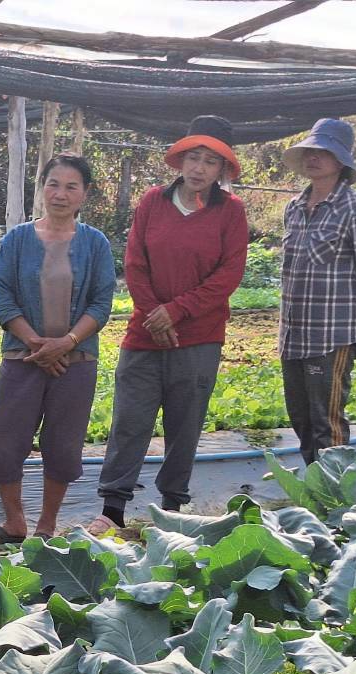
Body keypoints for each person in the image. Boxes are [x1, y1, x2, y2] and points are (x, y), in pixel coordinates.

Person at [87, 116, 248, 536]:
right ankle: (113, 508)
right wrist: (153, 313)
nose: (199, 169)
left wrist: (175, 312)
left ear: (222, 170)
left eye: (210, 162)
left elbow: (228, 274)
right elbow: (135, 263)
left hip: (198, 337)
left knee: (185, 422)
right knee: (130, 420)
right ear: (181, 161)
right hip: (145, 335)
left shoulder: (231, 212)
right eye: (193, 158)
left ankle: (173, 506)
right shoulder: (152, 201)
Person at [0, 154, 115, 546]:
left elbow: (101, 303)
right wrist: (37, 343)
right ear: (42, 188)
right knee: (4, 442)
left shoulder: (95, 243)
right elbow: (2, 296)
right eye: (53, 184)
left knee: (64, 445)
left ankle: (47, 527)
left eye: (72, 186)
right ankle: (15, 523)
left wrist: (66, 343)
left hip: (76, 361)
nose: (61, 194)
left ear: (84, 194)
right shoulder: (17, 240)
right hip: (24, 358)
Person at [279, 117, 356, 464]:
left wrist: (350, 312)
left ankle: (338, 504)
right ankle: (314, 493)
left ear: (341, 162)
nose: (314, 158)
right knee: (301, 419)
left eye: (324, 152)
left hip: (331, 335)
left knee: (328, 423)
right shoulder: (295, 208)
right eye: (311, 151)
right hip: (294, 334)